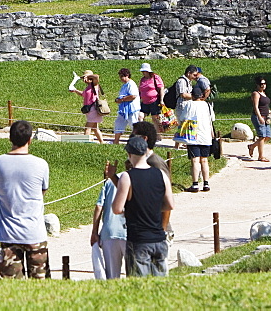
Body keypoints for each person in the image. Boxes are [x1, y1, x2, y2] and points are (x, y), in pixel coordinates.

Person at [0, 120, 51, 279]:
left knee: (12, 289)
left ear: (10, 138)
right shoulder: (41, 164)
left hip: (7, 234)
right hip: (35, 232)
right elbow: (43, 191)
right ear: (30, 139)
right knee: (41, 287)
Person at [112, 136, 174, 277]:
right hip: (159, 239)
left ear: (129, 154)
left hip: (138, 240)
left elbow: (117, 209)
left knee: (139, 288)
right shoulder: (161, 174)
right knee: (160, 288)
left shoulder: (127, 177)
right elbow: (170, 204)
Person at [174, 83, 215, 191]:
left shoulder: (189, 105)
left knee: (195, 160)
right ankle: (206, 183)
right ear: (201, 95)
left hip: (193, 136)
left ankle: (195, 184)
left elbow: (183, 117)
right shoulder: (207, 105)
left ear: (192, 95)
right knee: (204, 160)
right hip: (206, 136)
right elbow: (211, 120)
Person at [90, 161, 126, 279]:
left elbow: (99, 206)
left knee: (111, 276)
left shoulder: (110, 181)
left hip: (109, 232)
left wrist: (94, 231)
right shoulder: (137, 181)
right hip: (129, 233)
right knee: (135, 274)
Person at [69, 70, 105, 145]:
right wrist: (75, 90)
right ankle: (102, 142)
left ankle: (85, 143)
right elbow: (83, 94)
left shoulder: (94, 85)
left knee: (87, 127)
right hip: (89, 109)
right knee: (95, 128)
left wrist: (89, 76)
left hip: (93, 109)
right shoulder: (88, 87)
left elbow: (97, 77)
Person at [168, 65, 200, 148]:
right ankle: (177, 145)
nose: (195, 77)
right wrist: (196, 97)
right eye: (194, 75)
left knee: (185, 126)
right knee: (182, 126)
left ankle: (184, 143)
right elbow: (183, 94)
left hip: (187, 106)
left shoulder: (188, 81)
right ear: (189, 73)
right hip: (182, 106)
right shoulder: (181, 81)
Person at [248, 75, 271, 162]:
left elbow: (265, 106)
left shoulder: (264, 93)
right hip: (259, 117)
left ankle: (252, 146)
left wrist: (270, 112)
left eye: (264, 83)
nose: (263, 85)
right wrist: (259, 117)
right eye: (261, 84)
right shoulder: (256, 94)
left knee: (268, 136)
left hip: (266, 117)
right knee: (262, 136)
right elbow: (256, 107)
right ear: (257, 85)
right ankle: (261, 156)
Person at [113, 68, 141, 145]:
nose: (120, 78)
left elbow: (133, 96)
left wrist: (122, 100)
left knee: (134, 125)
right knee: (118, 124)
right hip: (123, 110)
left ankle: (138, 142)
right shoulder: (124, 85)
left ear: (127, 75)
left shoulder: (131, 84)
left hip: (132, 109)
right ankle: (116, 141)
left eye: (122, 76)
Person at [137, 63, 165, 132]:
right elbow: (140, 90)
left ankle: (157, 135)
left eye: (144, 71)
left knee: (155, 119)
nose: (143, 73)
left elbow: (161, 88)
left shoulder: (155, 77)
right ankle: (143, 132)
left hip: (154, 101)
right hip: (144, 102)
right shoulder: (142, 80)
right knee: (140, 116)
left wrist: (161, 100)